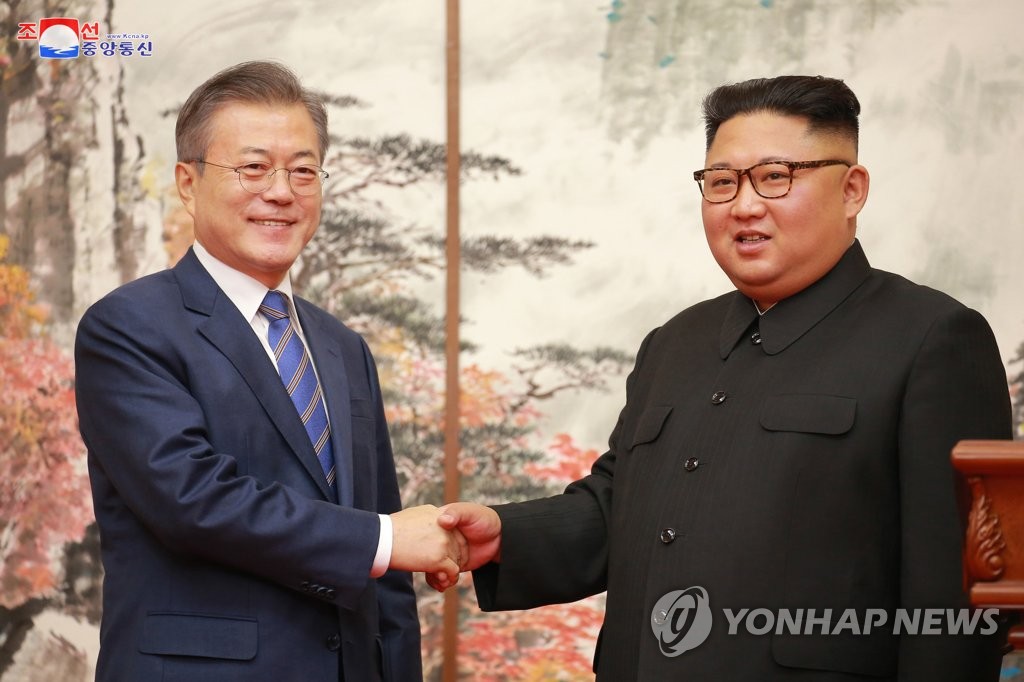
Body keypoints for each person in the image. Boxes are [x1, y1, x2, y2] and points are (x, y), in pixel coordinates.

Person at [433, 75, 1012, 680]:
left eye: (775, 176)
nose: (744, 205)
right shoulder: (674, 343)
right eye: (721, 182)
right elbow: (620, 510)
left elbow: (961, 594)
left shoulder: (932, 339)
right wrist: (501, 534)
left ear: (852, 190)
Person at [75, 61, 463, 682]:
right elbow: (191, 500)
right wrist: (384, 540)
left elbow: (387, 578)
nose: (282, 192)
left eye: (303, 171)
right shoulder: (128, 327)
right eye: (253, 168)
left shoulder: (342, 347)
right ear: (188, 183)